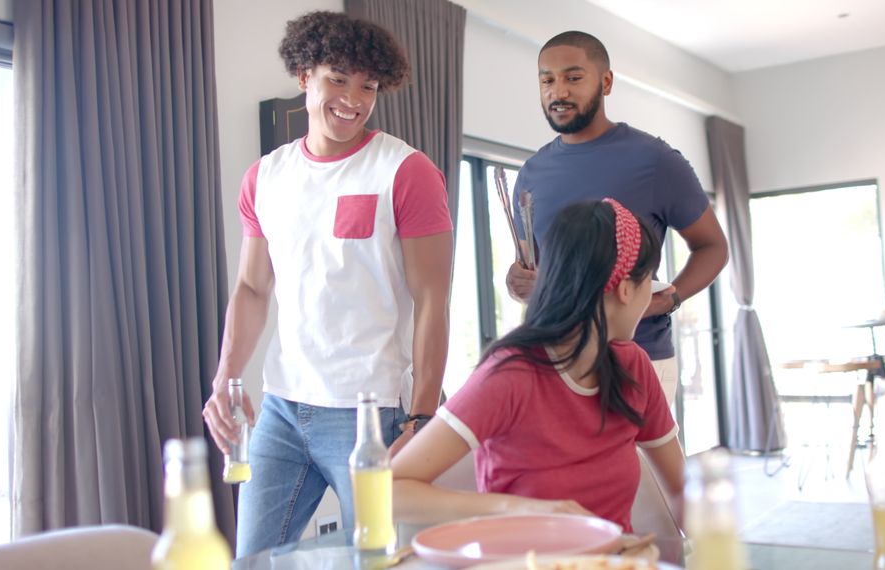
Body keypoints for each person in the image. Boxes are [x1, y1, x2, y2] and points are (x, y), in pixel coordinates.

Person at [201, 11, 453, 557]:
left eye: (368, 85)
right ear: (303, 75)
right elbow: (251, 288)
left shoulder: (405, 171)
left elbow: (433, 299)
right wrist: (226, 377)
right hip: (282, 406)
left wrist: (424, 416)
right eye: (338, 78)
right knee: (251, 560)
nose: (354, 98)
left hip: (371, 409)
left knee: (383, 557)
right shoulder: (265, 176)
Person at [392, 199, 685, 532]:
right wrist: (515, 509)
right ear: (627, 290)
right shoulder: (510, 376)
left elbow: (682, 492)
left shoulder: (633, 366)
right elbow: (391, 491)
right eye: (650, 280)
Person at [507, 31, 729, 406]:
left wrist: (670, 298)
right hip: (555, 360)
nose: (558, 91)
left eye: (573, 78)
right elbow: (532, 267)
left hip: (637, 358)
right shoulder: (531, 173)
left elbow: (713, 247)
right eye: (547, 80)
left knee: (639, 468)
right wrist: (517, 282)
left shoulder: (655, 160)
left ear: (605, 82)